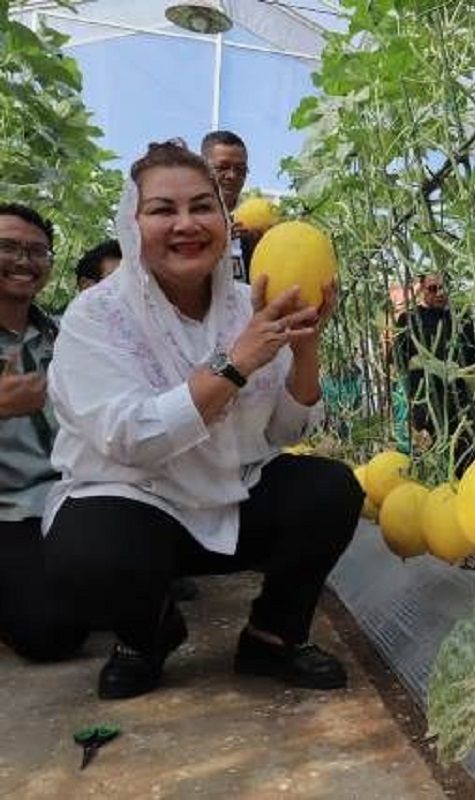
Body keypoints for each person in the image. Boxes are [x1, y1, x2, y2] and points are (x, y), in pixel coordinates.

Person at [42, 141, 362, 700]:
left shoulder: (249, 303)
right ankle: (148, 635)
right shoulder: (95, 315)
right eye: (163, 210)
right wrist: (234, 362)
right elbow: (130, 438)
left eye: (201, 207)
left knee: (330, 489)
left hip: (228, 494)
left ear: (224, 220)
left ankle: (273, 637)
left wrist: (306, 347)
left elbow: (285, 434)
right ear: (133, 223)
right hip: (138, 502)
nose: (186, 224)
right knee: (85, 550)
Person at [0, 203, 89, 662]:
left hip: (71, 497)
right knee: (51, 634)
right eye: (8, 247)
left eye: (37, 251)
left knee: (145, 585)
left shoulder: (63, 334)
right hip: (10, 513)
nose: (23, 260)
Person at [394, 272, 475, 475]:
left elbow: (473, 357)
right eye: (433, 288)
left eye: (443, 287)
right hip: (425, 403)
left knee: (465, 456)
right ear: (422, 290)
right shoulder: (409, 319)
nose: (439, 293)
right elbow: (398, 361)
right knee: (430, 456)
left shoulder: (461, 318)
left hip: (459, 401)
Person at [201, 130, 256, 283]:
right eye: (222, 167)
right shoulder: (183, 224)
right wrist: (214, 245)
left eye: (240, 170)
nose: (232, 176)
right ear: (202, 169)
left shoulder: (245, 230)